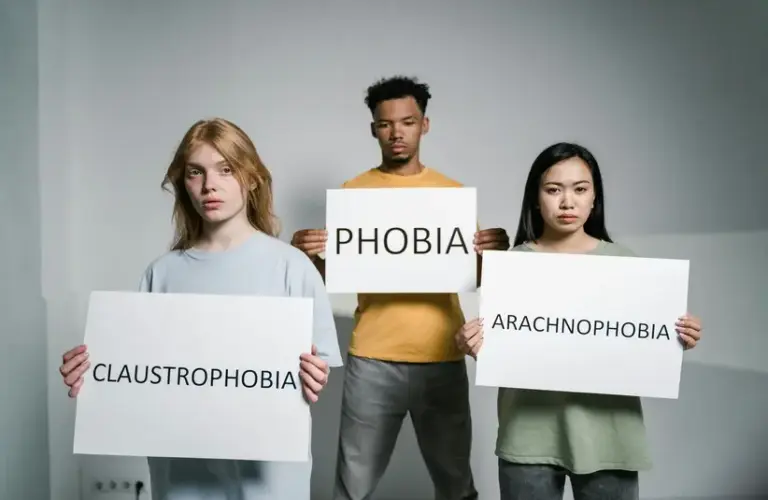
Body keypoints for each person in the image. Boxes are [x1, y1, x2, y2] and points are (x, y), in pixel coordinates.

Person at [58, 118, 344, 500]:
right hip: (181, 477)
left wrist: (313, 377)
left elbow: (317, 369)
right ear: (183, 183)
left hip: (267, 480)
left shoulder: (292, 266)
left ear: (252, 178)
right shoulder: (162, 273)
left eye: (226, 170)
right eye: (196, 172)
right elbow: (138, 375)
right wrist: (92, 375)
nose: (209, 185)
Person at [291, 76, 509, 500]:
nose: (396, 133)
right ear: (373, 128)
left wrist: (494, 252)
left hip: (443, 353)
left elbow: (478, 277)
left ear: (424, 125)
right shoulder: (354, 193)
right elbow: (329, 278)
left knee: (456, 485)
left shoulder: (452, 195)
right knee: (351, 486)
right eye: (386, 124)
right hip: (372, 356)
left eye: (407, 122)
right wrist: (310, 255)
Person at [454, 142, 704, 500]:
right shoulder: (510, 267)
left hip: (610, 437)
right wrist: (472, 344)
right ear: (536, 198)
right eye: (554, 189)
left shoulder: (628, 264)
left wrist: (680, 335)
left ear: (594, 198)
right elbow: (503, 345)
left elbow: (645, 344)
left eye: (580, 189)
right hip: (528, 434)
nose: (567, 202)